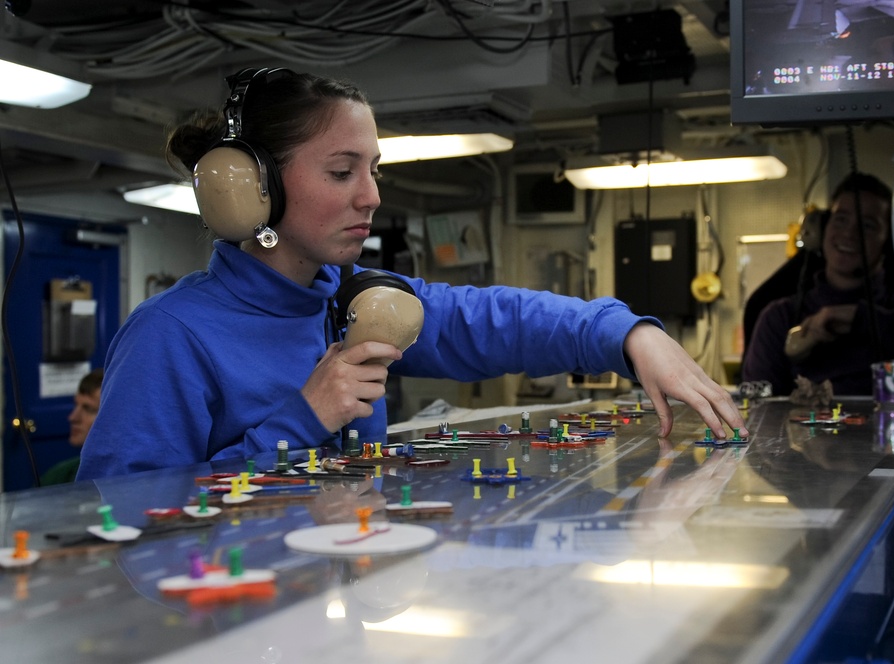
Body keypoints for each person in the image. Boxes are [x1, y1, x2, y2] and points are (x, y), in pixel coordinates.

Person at [77, 68, 745, 480]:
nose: (370, 196)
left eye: (374, 171)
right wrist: (301, 419)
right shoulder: (171, 335)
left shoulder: (350, 300)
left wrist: (628, 335)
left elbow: (494, 319)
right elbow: (123, 524)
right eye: (342, 172)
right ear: (253, 187)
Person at [742, 172, 894, 397]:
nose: (849, 234)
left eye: (867, 225)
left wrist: (862, 319)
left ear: (891, 241)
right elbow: (758, 408)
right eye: (841, 219)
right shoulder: (779, 317)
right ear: (822, 229)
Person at [41, 368, 103, 485]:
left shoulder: (129, 479)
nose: (73, 418)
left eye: (88, 409)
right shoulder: (59, 476)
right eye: (76, 405)